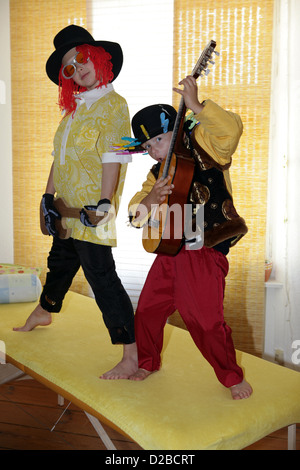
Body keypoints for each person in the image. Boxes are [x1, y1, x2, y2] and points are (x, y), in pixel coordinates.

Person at [13, 25, 137, 380]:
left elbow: (115, 156)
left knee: (101, 277)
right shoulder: (72, 113)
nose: (77, 68)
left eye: (81, 58)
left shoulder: (114, 104)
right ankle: (45, 309)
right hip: (66, 207)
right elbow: (59, 158)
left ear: (99, 58)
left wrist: (103, 202)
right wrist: (47, 196)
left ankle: (130, 353)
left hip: (92, 212)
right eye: (69, 67)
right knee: (60, 262)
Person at [125, 75, 252, 399]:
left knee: (206, 322)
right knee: (148, 311)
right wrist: (151, 199)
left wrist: (198, 106)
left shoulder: (204, 145)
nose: (153, 151)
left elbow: (230, 132)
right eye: (148, 146)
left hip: (203, 249)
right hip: (169, 251)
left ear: (179, 129)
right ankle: (147, 361)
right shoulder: (156, 174)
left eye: (159, 140)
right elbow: (134, 216)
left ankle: (231, 376)